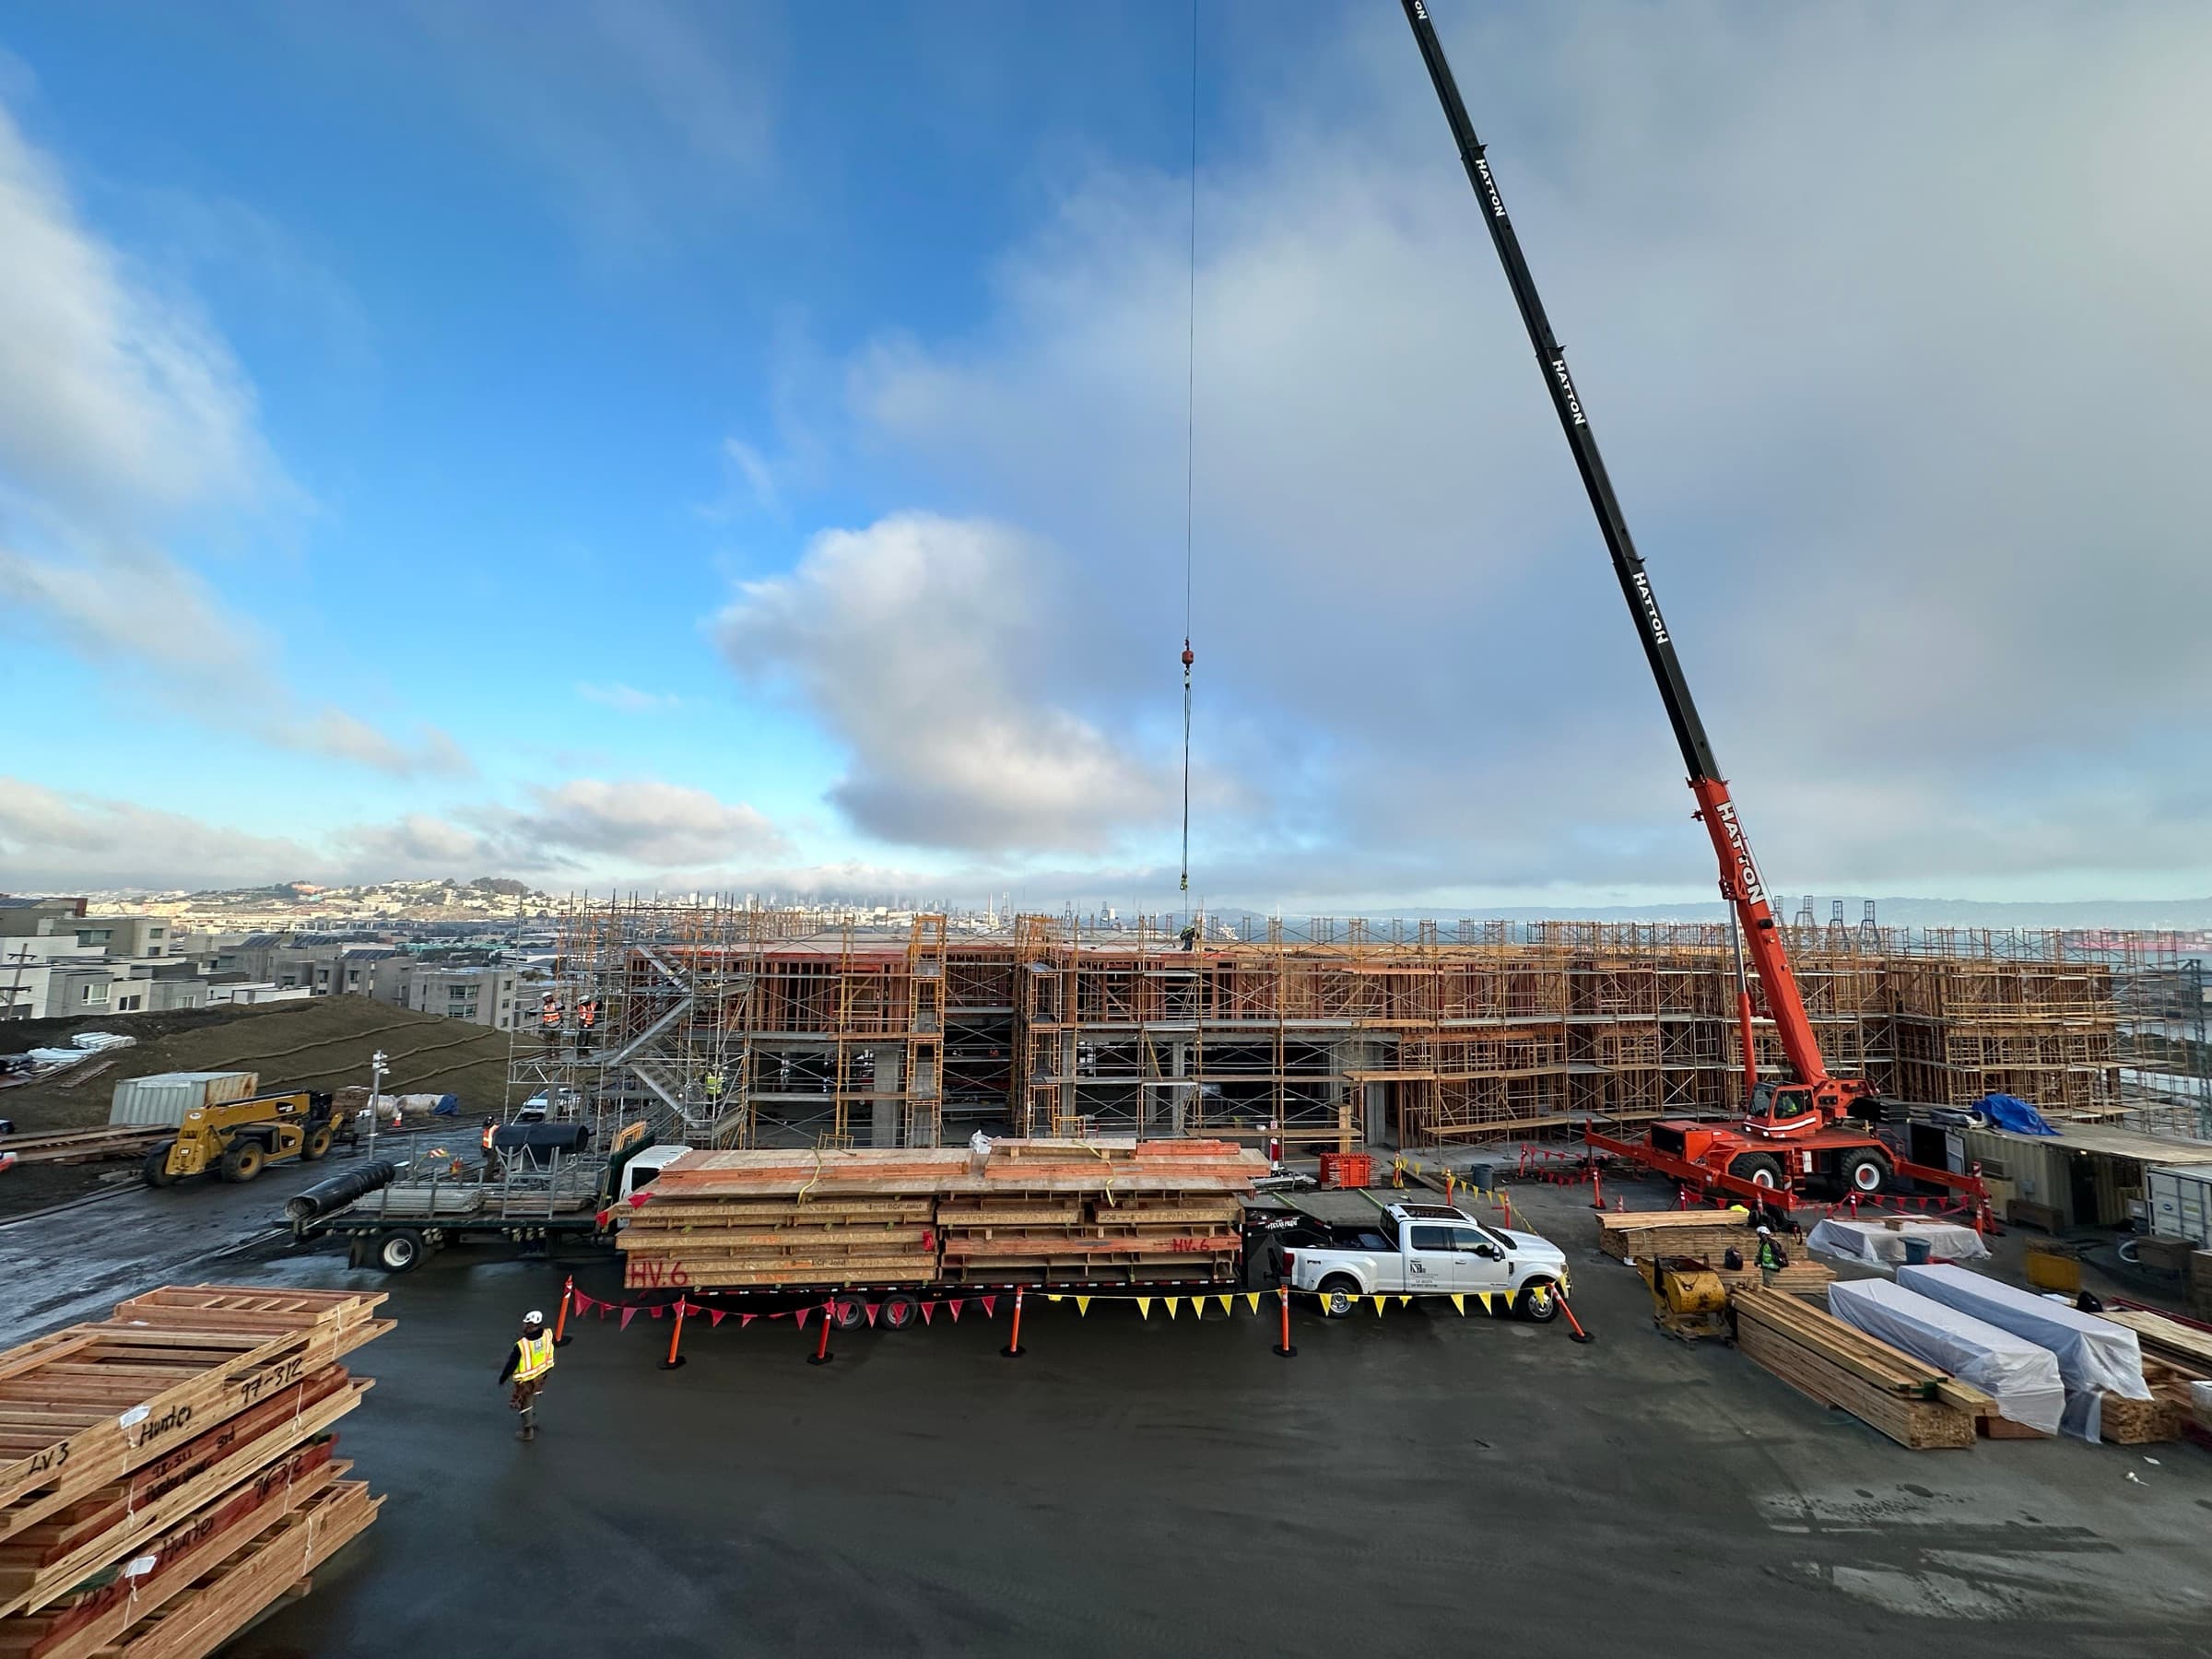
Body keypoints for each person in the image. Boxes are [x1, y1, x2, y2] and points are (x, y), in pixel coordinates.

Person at [500, 1310, 556, 1441]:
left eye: (525, 1323)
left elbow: (511, 1364)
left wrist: (503, 1378)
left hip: (527, 1380)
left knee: (525, 1404)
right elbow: (558, 1341)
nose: (523, 1325)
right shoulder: (547, 1334)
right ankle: (533, 1419)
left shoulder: (522, 1345)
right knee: (534, 1396)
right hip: (541, 1374)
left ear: (530, 1325)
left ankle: (528, 1432)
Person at [479, 1116, 499, 1182]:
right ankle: (487, 1178)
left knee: (490, 1164)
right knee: (491, 1164)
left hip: (486, 1148)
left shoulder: (487, 1129)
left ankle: (488, 1177)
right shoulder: (493, 1128)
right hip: (491, 1149)